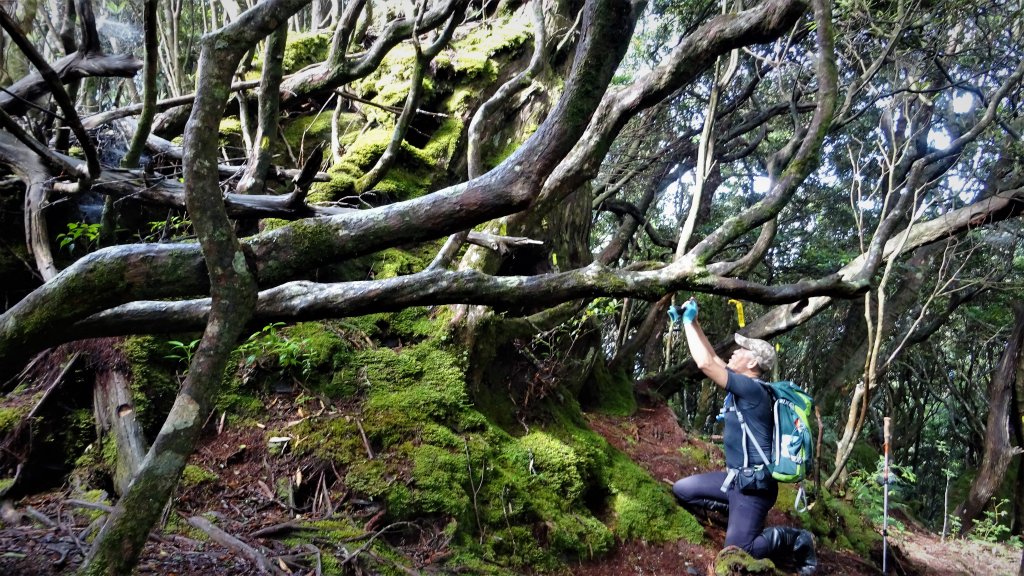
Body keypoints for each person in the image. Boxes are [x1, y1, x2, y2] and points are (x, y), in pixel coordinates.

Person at [669, 298, 817, 576]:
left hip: (754, 489)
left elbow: (703, 363)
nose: (733, 353)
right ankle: (738, 517)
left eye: (740, 351)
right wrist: (694, 320)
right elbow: (712, 359)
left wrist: (686, 323)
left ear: (751, 361)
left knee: (736, 552)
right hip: (734, 481)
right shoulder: (744, 386)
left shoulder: (753, 391)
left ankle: (794, 538)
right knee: (682, 490)